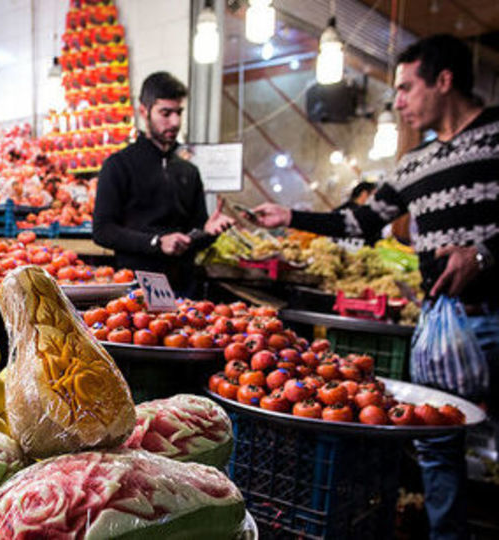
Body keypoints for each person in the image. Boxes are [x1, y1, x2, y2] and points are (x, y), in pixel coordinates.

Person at [248, 34, 499, 540]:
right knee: (437, 443)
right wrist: (289, 215)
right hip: (442, 324)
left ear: (444, 80)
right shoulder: (416, 164)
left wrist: (484, 253)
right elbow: (362, 222)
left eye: (407, 88)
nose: (399, 102)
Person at [92, 72, 234, 296]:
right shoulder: (118, 165)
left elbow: (191, 237)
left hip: (184, 290)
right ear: (143, 111)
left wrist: (208, 232)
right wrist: (156, 242)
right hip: (135, 292)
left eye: (179, 112)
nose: (175, 122)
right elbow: (103, 231)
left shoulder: (189, 171)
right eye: (165, 113)